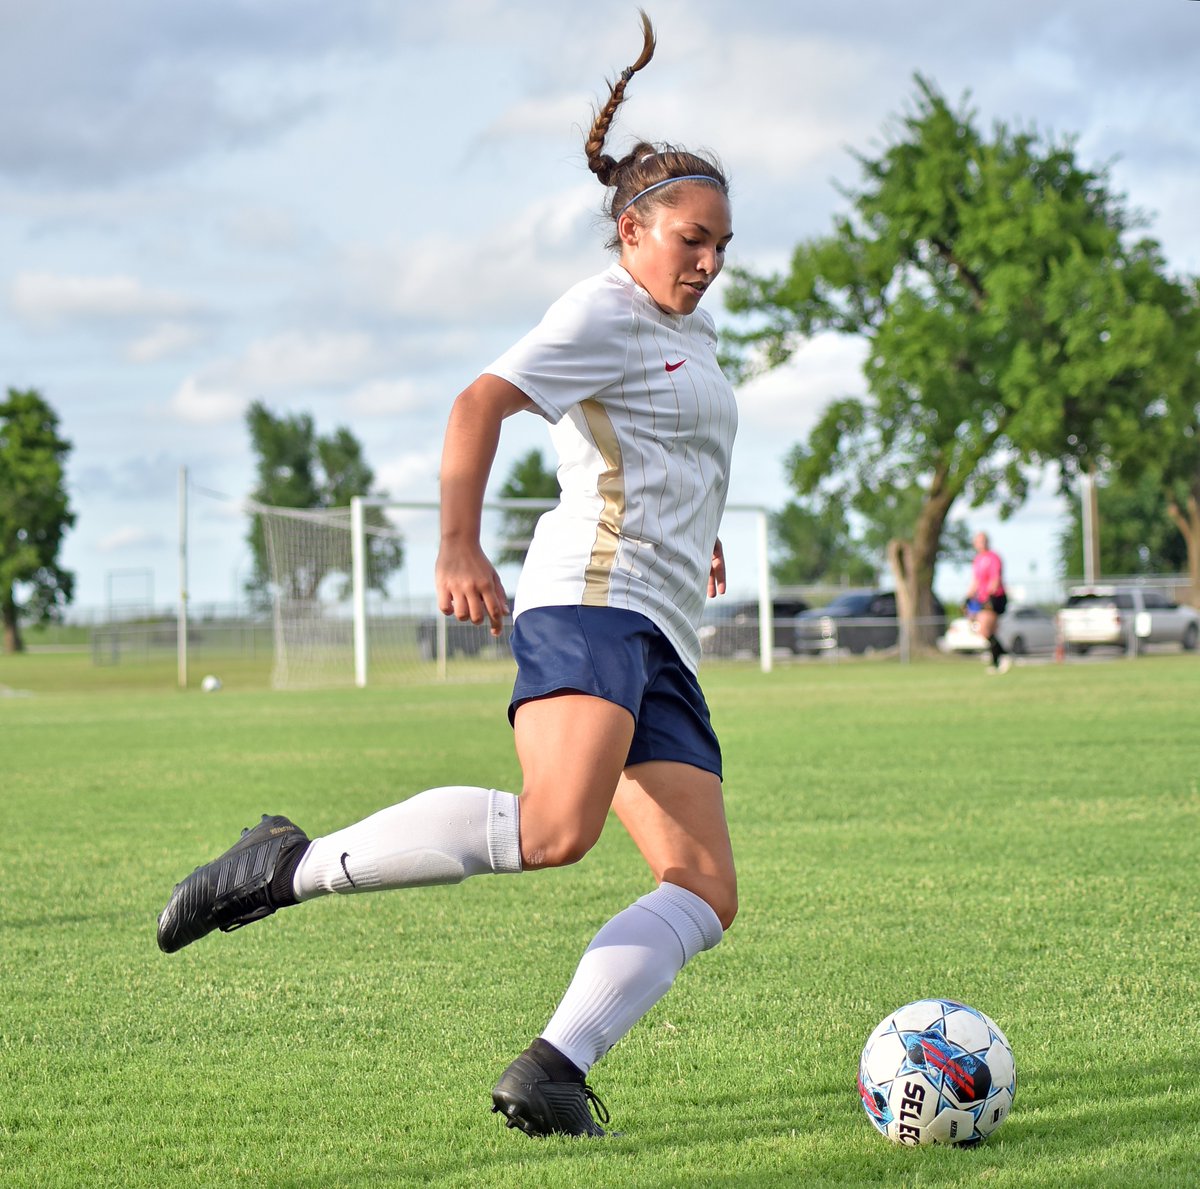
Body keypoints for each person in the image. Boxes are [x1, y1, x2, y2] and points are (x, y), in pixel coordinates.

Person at [157, 12, 738, 1141]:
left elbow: (667, 445)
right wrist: (456, 543)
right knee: (556, 827)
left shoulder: (691, 336)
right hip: (594, 601)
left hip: (662, 624)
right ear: (632, 230)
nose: (709, 261)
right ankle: (288, 867)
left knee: (704, 884)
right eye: (692, 240)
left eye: (722, 245)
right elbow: (481, 401)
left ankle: (553, 1069)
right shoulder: (603, 309)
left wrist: (697, 523)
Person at [965, 531, 1009, 673]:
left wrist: (989, 596)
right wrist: (967, 597)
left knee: (984, 629)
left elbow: (995, 579)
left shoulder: (993, 558)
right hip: (982, 598)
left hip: (995, 597)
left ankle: (1002, 656)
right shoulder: (977, 560)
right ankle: (998, 660)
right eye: (978, 541)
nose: (980, 543)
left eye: (983, 540)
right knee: (988, 631)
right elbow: (976, 581)